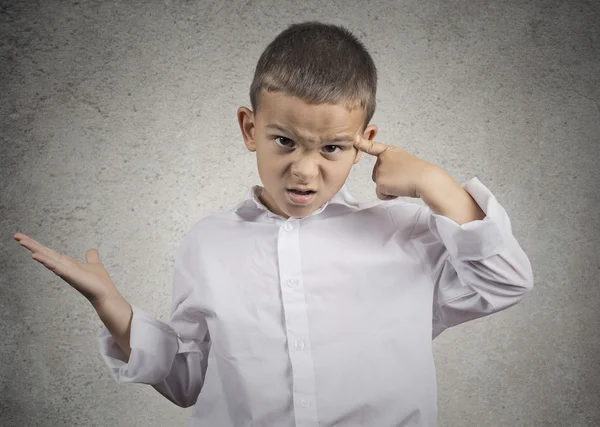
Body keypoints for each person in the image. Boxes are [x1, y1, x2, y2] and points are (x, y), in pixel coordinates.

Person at [13, 21, 533, 427]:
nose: (305, 169)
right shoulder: (208, 243)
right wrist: (114, 309)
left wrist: (435, 183)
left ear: (364, 141)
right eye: (284, 140)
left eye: (332, 147)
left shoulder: (409, 233)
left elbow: (505, 280)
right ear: (249, 127)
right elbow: (189, 380)